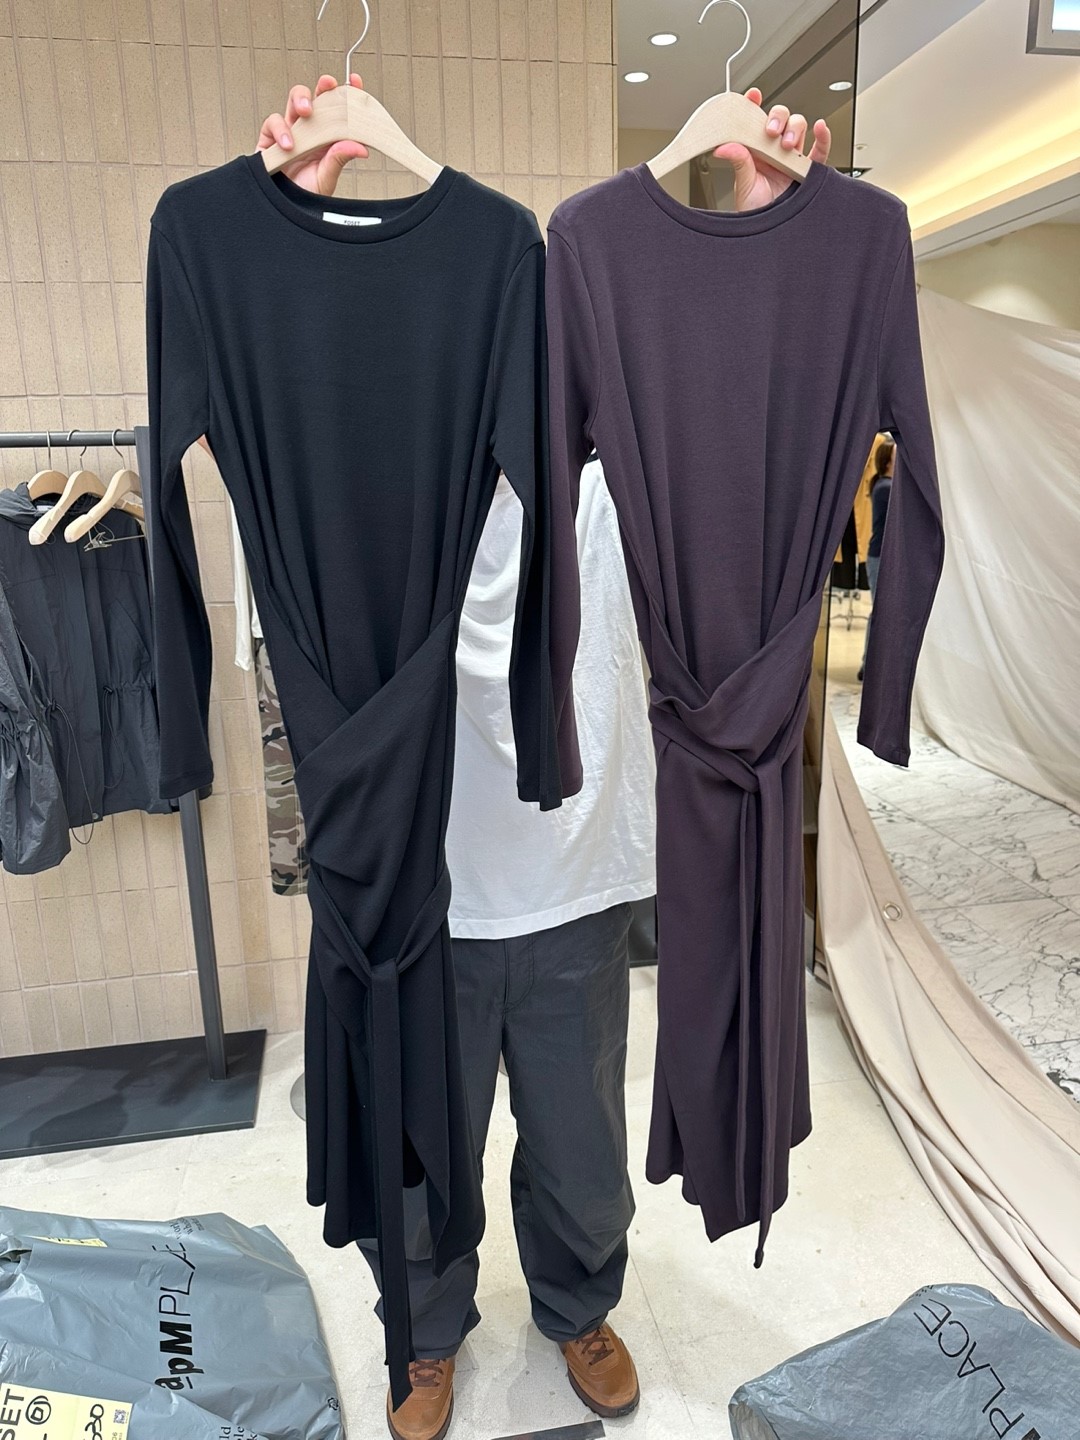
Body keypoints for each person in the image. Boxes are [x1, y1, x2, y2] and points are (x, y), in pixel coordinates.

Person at [255, 77, 832, 1440]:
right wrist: (288, 241)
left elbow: (768, 427)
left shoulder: (626, 469)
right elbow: (268, 470)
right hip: (424, 889)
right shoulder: (366, 474)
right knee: (422, 1148)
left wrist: (776, 234)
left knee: (579, 1149)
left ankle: (579, 1303)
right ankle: (427, 1333)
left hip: (577, 879)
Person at [859, 438, 896, 681]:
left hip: (880, 555)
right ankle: (868, 665)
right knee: (880, 612)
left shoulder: (884, 485)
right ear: (887, 462)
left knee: (881, 611)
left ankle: (870, 663)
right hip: (879, 556)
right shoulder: (885, 487)